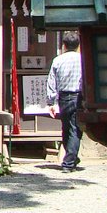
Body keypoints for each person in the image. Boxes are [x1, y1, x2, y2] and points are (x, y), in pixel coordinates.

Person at [46, 30, 83, 172]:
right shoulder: (82, 60)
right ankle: (69, 161)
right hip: (78, 96)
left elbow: (51, 82)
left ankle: (71, 157)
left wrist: (51, 102)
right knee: (75, 129)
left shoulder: (57, 60)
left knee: (66, 128)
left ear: (64, 45)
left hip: (63, 97)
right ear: (78, 45)